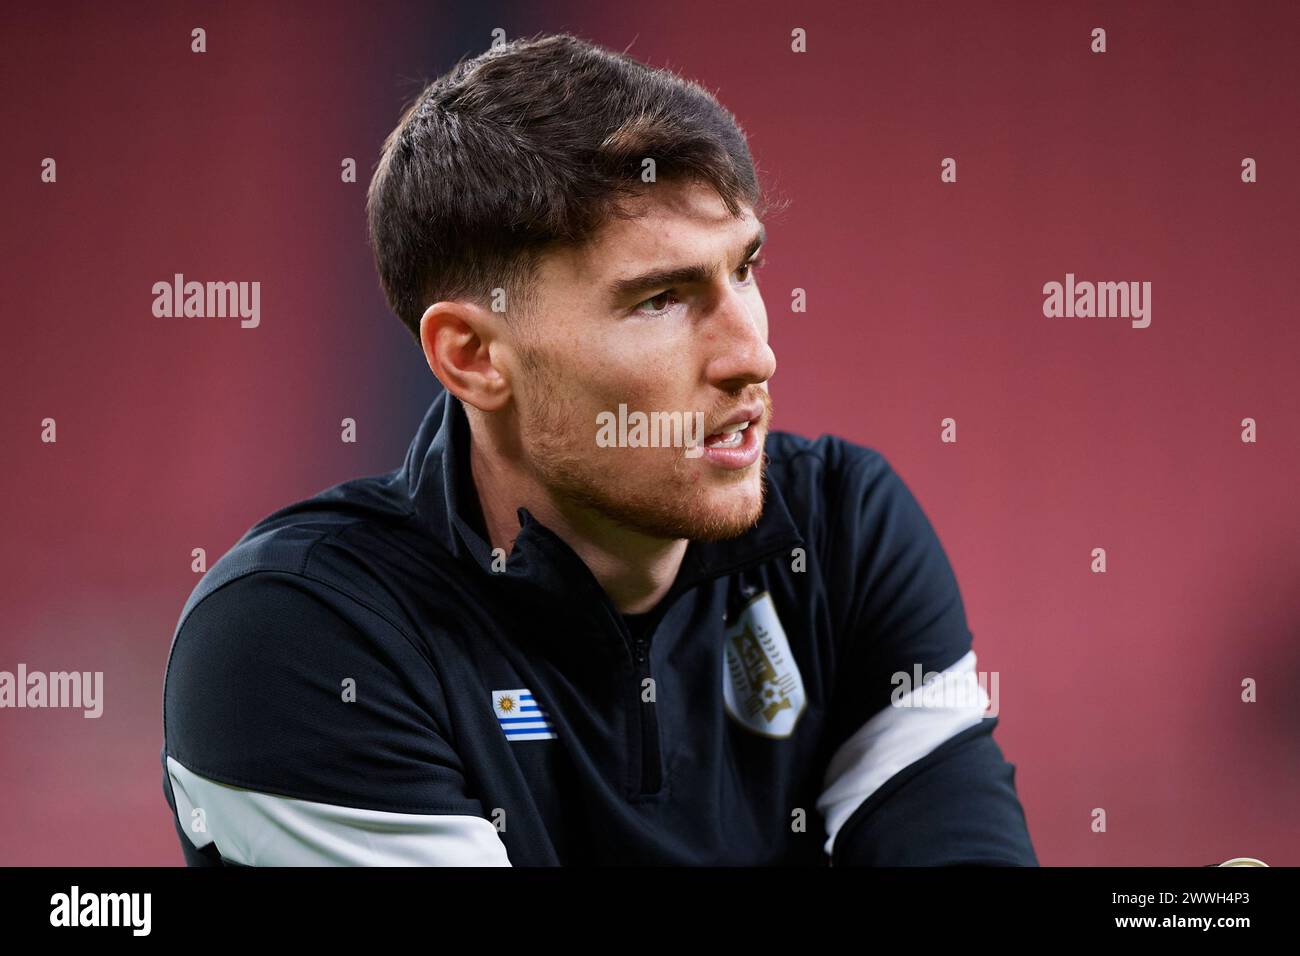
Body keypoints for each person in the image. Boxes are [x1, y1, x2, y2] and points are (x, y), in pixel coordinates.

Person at [160, 32, 1038, 866]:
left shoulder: (842, 533)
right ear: (472, 356)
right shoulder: (296, 638)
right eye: (661, 297)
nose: (753, 356)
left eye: (745, 270)